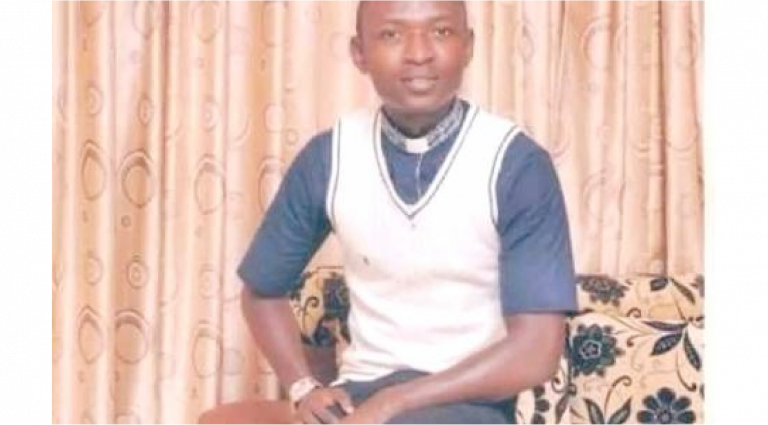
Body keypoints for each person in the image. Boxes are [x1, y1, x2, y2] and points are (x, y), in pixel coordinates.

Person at [237, 0, 578, 423]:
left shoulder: (516, 163)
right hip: (357, 395)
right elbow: (261, 290)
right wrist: (304, 387)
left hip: (468, 402)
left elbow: (536, 352)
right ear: (359, 53)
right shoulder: (329, 157)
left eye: (441, 32)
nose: (419, 53)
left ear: (468, 47)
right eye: (392, 35)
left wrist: (395, 402)